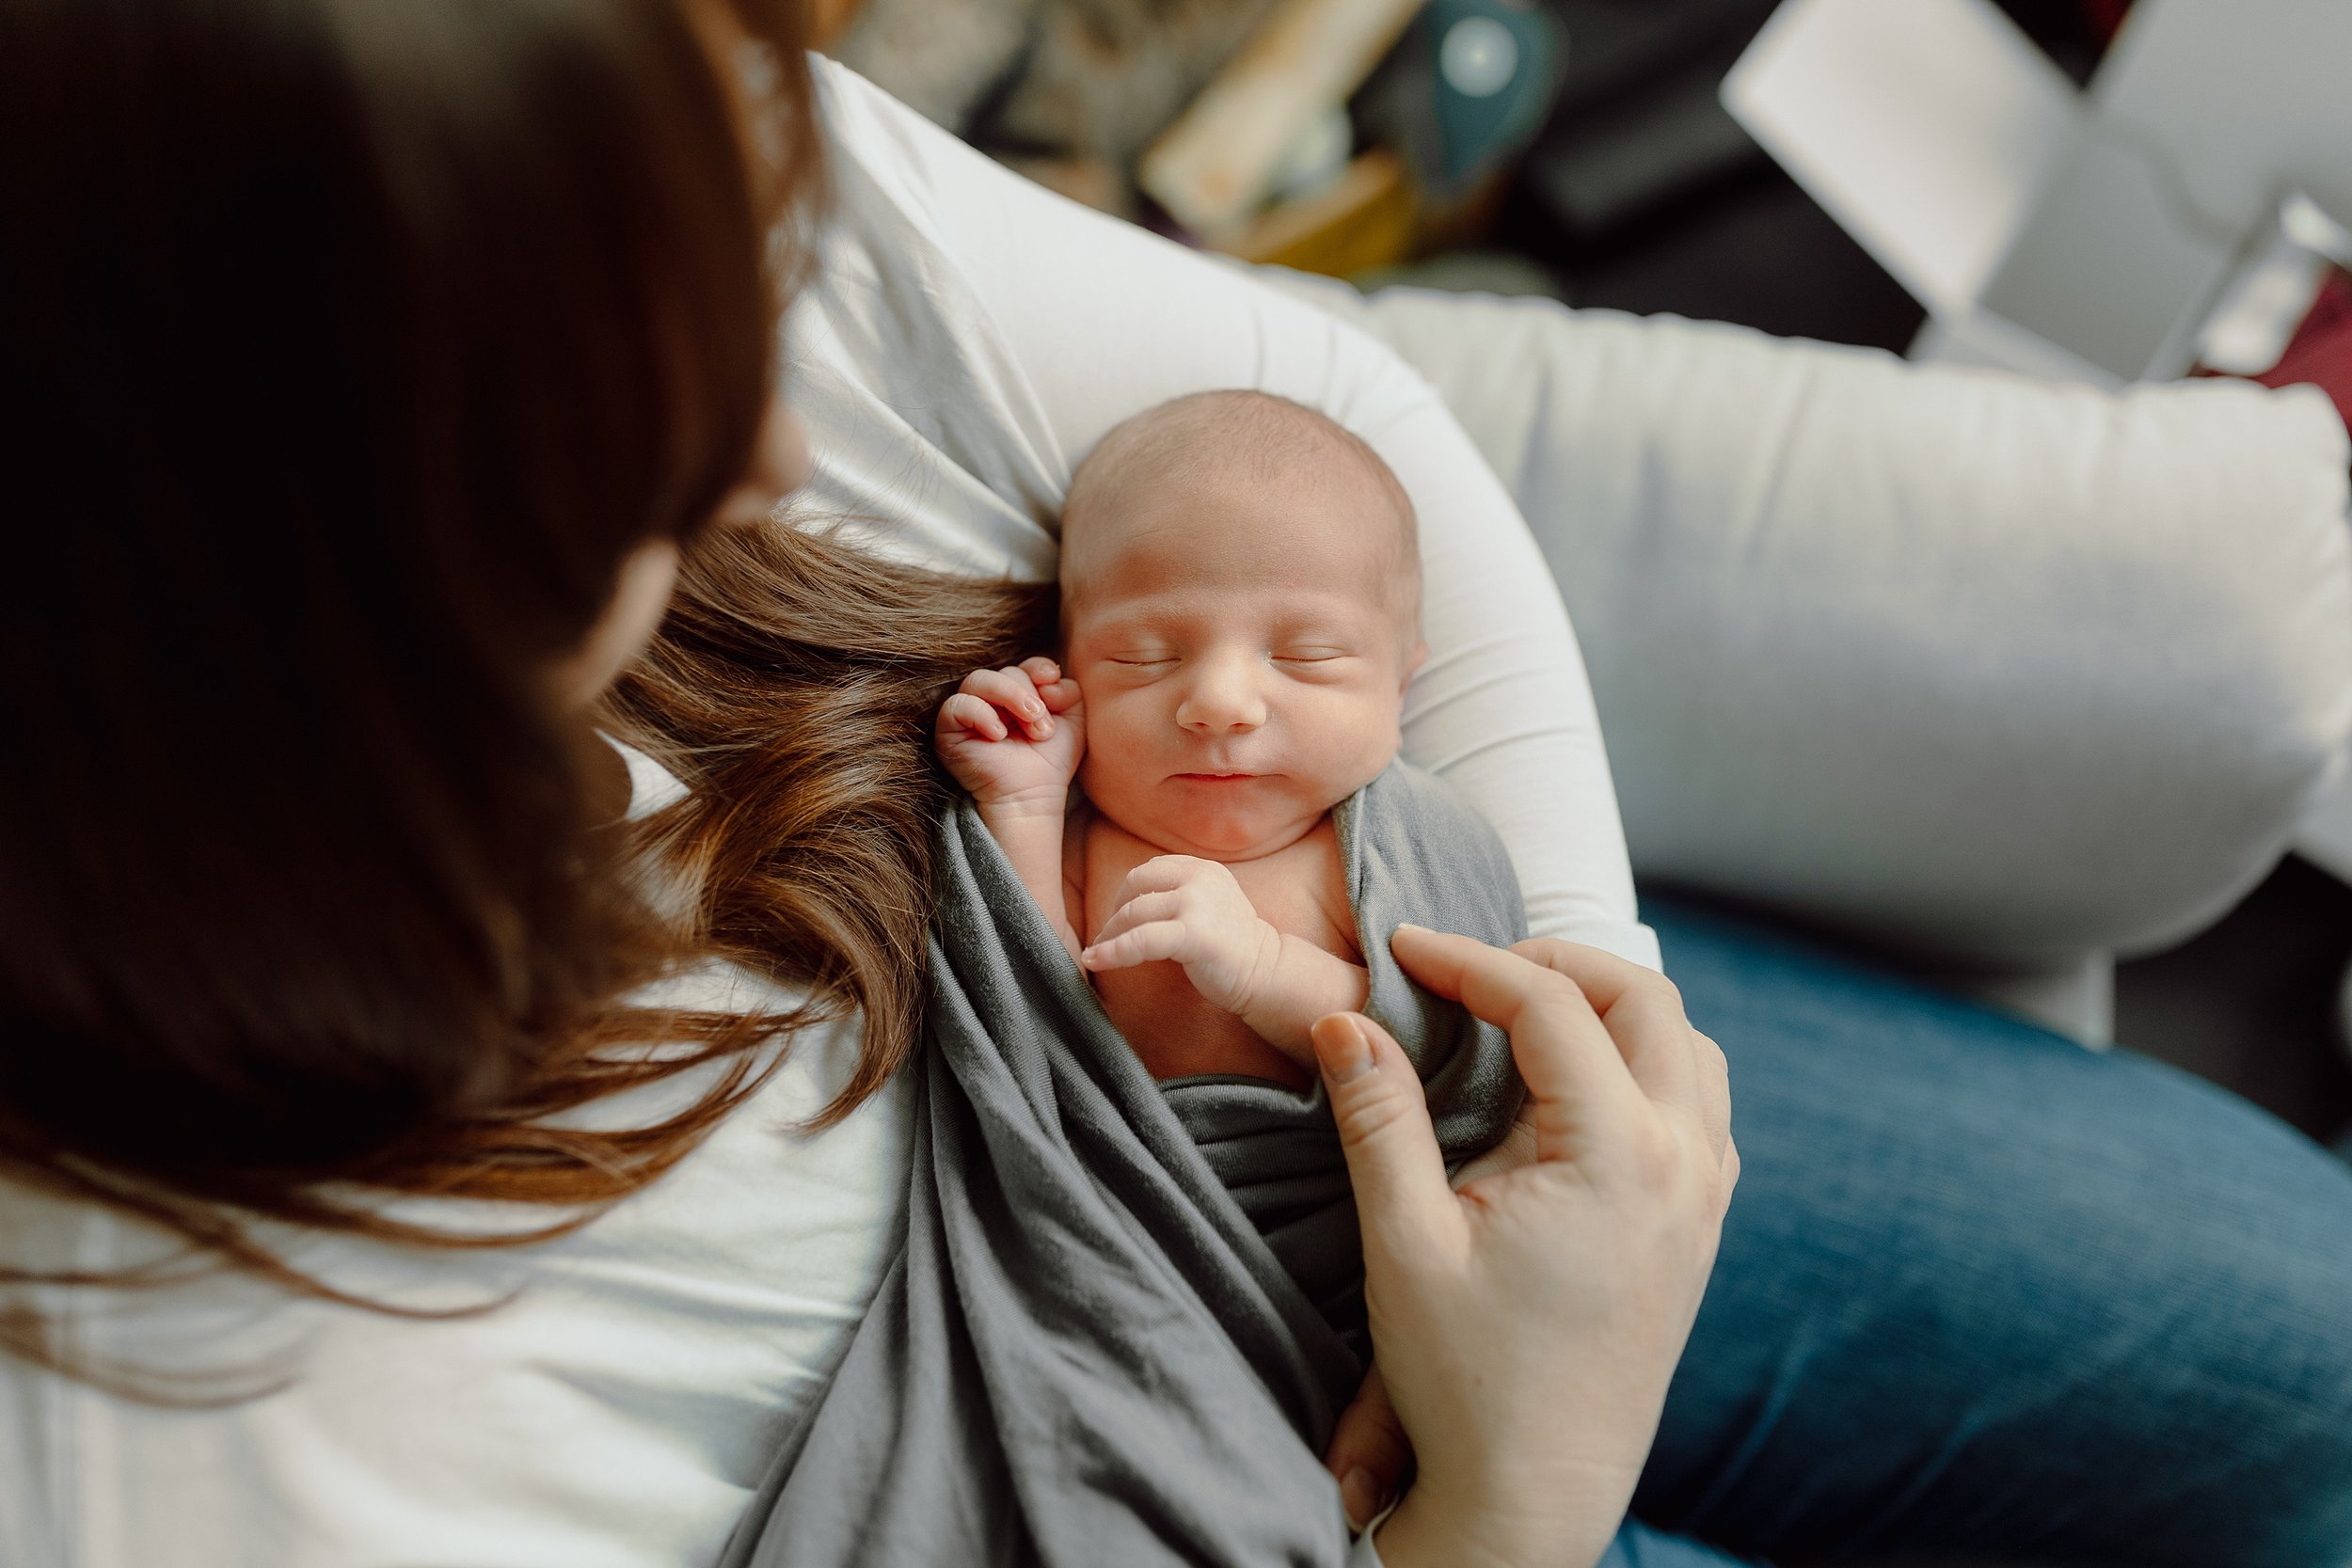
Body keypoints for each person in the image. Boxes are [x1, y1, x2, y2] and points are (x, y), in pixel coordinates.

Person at [0, 2, 2345, 1566]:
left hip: (1411, 1112)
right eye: (624, 443)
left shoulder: (476, 87)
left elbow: (1313, 421)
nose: (776, 447)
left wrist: (1580, 1081)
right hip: (1230, 1470)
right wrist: (1508, 1504)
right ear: (288, 615)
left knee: (2308, 1378)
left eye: (753, 293)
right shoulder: (208, 1458)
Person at [937, 388, 1462, 1086]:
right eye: (1144, 657)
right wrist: (1025, 809)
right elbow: (1025, 1025)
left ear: (1400, 683)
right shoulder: (1083, 844)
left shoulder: (1410, 847)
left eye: (1306, 655)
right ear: (1067, 665)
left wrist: (1264, 968)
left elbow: (1453, 1054)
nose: (1218, 705)